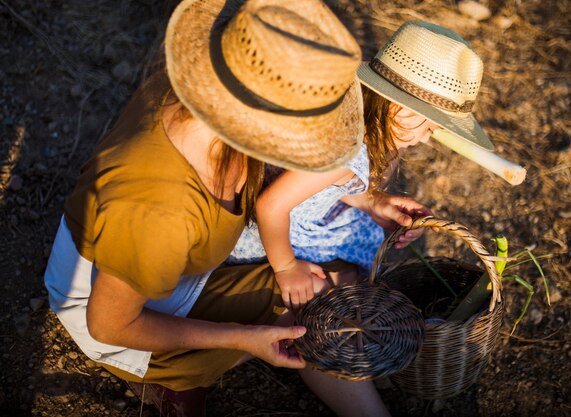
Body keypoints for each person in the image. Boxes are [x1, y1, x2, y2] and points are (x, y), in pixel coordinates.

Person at [43, 0, 406, 416]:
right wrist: (241, 339)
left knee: (334, 279)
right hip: (115, 309)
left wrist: (365, 198)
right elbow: (108, 325)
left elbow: (282, 185)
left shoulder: (211, 93)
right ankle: (175, 373)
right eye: (311, 133)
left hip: (156, 262)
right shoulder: (160, 209)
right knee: (317, 305)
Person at [228, 20, 494, 312]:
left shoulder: (359, 119)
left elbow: (323, 186)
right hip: (269, 232)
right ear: (401, 111)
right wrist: (287, 268)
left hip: (307, 212)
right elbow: (271, 207)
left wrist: (373, 202)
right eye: (430, 128)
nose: (426, 139)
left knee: (354, 275)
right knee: (334, 296)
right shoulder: (347, 152)